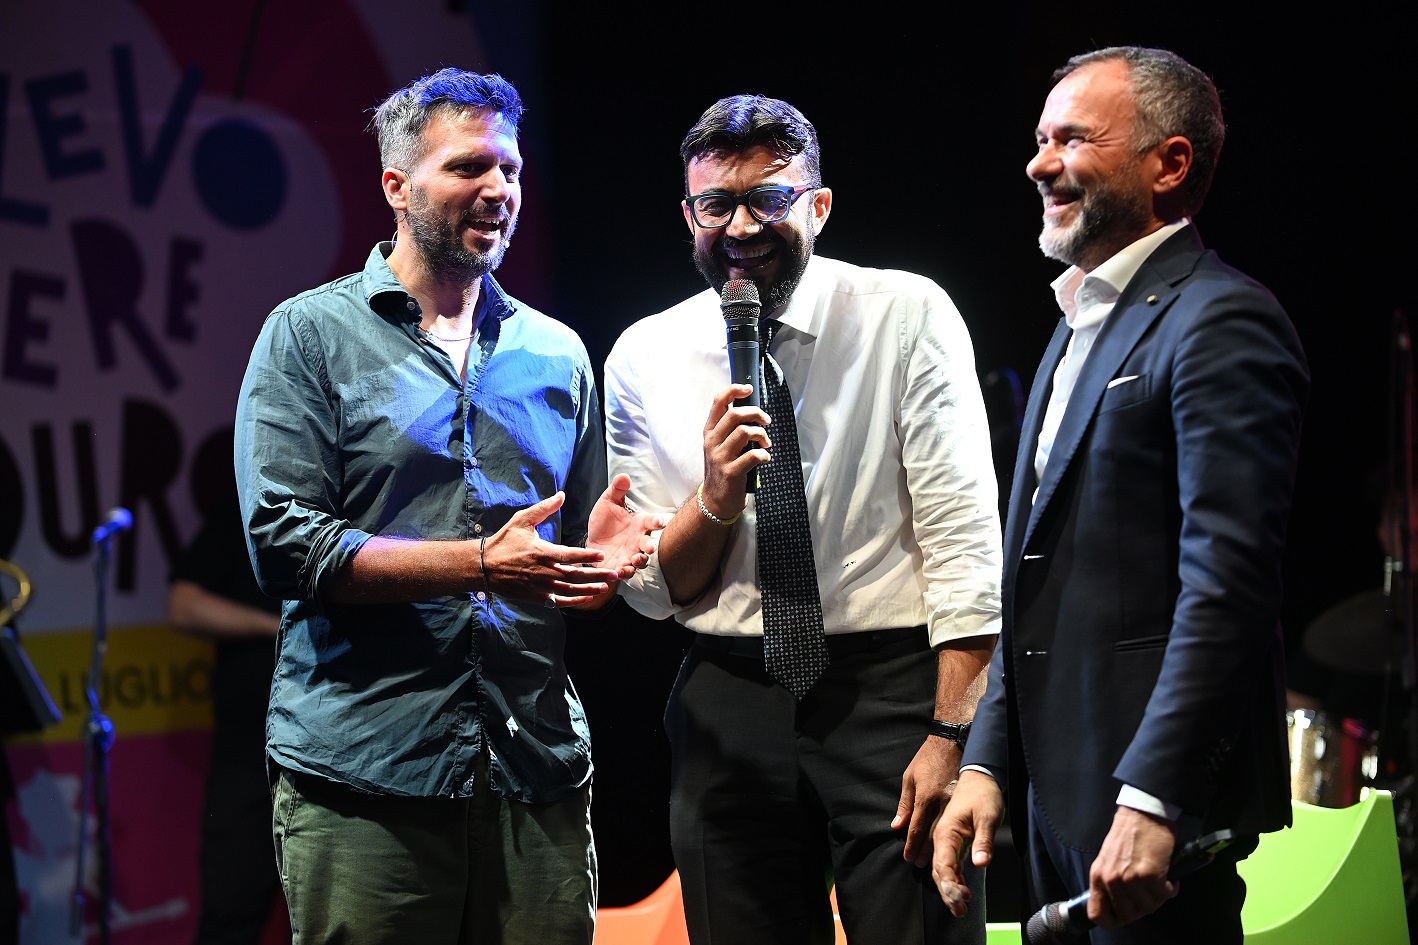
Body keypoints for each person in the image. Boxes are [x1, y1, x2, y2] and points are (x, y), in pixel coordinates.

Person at [233, 69, 663, 945]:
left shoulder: (557, 352)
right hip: (367, 774)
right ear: (397, 186)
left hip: (533, 768)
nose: (499, 188)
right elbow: (284, 543)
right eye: (469, 167)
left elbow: (571, 546)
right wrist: (480, 563)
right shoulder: (309, 335)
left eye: (510, 168)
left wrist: (601, 566)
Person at [604, 95, 1002, 945]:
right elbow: (654, 588)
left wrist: (955, 733)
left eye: (769, 199)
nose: (741, 226)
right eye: (717, 204)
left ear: (818, 204)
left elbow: (966, 548)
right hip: (728, 696)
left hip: (896, 690)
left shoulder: (905, 313)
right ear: (688, 215)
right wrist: (714, 496)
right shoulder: (643, 352)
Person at [931, 47, 1308, 944]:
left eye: (1072, 139)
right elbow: (1033, 583)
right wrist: (985, 761)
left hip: (1149, 816)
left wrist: (1156, 793)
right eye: (1039, 139)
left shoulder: (1222, 317)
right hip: (1058, 799)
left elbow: (1229, 588)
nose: (1039, 163)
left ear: (1169, 164)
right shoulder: (1076, 326)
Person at [168, 428, 283, 945]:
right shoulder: (244, 507)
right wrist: (275, 627)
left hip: (341, 742)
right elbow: (183, 605)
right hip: (249, 747)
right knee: (231, 912)